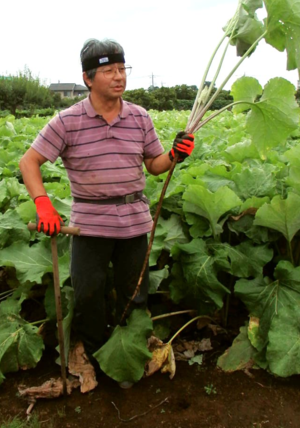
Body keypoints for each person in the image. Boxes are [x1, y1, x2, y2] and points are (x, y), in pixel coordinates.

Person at [19, 38, 195, 376]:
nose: (118, 77)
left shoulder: (140, 117)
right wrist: (43, 205)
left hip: (133, 222)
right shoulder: (67, 121)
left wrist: (175, 155)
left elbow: (154, 165)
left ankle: (129, 354)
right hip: (89, 223)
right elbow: (30, 162)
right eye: (108, 71)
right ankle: (94, 355)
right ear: (88, 78)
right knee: (87, 294)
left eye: (122, 69)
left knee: (135, 294)